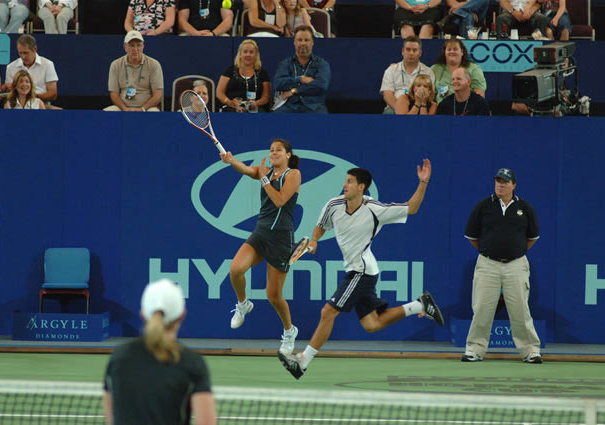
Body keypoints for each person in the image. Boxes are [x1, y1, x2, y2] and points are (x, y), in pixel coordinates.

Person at [278, 163, 445, 379]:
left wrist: (423, 182)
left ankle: (302, 361)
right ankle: (420, 305)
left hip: (362, 271)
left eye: (349, 182)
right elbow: (321, 225)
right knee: (372, 324)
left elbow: (411, 208)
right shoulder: (333, 205)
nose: (344, 185)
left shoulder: (375, 210)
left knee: (327, 313)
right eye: (345, 180)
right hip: (358, 269)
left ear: (361, 187)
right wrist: (314, 241)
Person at [219, 139, 301, 356]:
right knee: (236, 270)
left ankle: (289, 330)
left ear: (288, 155)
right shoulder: (265, 172)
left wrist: (264, 177)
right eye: (271, 150)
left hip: (281, 238)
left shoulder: (293, 175)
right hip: (261, 233)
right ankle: (243, 304)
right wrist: (231, 160)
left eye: (278, 150)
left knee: (273, 296)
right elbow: (246, 170)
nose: (273, 153)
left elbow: (281, 200)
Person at [103, 279, 217, 425]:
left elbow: (112, 419)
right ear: (182, 315)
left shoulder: (119, 358)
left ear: (142, 314)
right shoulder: (192, 363)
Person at [462, 168, 542, 364]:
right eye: (498, 181)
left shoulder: (525, 208)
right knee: (481, 308)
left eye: (505, 181)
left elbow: (531, 238)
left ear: (513, 184)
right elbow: (473, 238)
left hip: (516, 265)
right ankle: (474, 349)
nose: (500, 184)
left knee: (520, 310)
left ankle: (530, 350)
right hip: (488, 264)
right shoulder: (483, 207)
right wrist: (492, 250)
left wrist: (514, 252)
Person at [272, 25, 331, 113]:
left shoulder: (322, 64)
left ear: (312, 42)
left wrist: (294, 90)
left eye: (306, 40)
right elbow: (278, 84)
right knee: (275, 117)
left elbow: (321, 86)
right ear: (294, 42)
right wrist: (300, 79)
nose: (303, 43)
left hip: (314, 107)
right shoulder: (285, 63)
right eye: (299, 40)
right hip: (289, 106)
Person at [105, 31, 163, 112]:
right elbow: (114, 94)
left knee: (154, 112)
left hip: (146, 108)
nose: (135, 49)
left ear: (143, 47)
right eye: (131, 45)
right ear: (125, 47)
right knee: (107, 112)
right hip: (122, 108)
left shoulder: (154, 64)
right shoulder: (115, 64)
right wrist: (124, 109)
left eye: (139, 45)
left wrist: (142, 109)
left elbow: (158, 94)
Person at [380, 36, 435, 114]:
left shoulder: (428, 72)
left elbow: (430, 95)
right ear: (403, 51)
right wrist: (400, 110)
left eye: (414, 50)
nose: (411, 53)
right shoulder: (391, 70)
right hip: (395, 108)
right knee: (388, 113)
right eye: (408, 49)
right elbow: (387, 95)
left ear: (420, 53)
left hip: (421, 107)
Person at [216, 39, 271, 113]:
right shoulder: (230, 70)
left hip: (255, 108)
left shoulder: (263, 73)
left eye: (251, 52)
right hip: (232, 107)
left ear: (256, 55)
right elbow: (219, 93)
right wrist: (230, 103)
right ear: (240, 54)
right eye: (245, 52)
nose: (248, 54)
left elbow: (266, 97)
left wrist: (257, 103)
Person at [5, 35, 59, 105]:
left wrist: (33, 98)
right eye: (20, 53)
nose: (23, 57)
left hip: (41, 105)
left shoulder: (47, 65)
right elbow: (9, 92)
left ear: (35, 48)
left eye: (26, 53)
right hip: (17, 106)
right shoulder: (11, 67)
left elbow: (53, 94)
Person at [431, 39, 486, 104]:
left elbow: (479, 93)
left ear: (462, 52)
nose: (452, 52)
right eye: (449, 49)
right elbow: (429, 93)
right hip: (442, 109)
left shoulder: (474, 69)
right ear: (445, 52)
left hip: (467, 109)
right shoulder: (435, 68)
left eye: (455, 49)